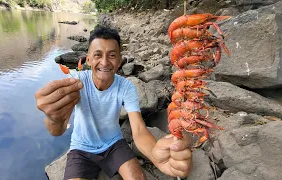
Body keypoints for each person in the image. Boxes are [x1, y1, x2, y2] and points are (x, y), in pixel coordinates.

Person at [35, 26, 192, 180]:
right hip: (81, 149)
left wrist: (155, 155)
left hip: (114, 144)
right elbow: (57, 130)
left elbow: (138, 129)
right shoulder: (76, 83)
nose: (104, 62)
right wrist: (53, 118)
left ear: (119, 61)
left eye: (111, 55)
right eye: (98, 55)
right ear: (88, 59)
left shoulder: (126, 86)